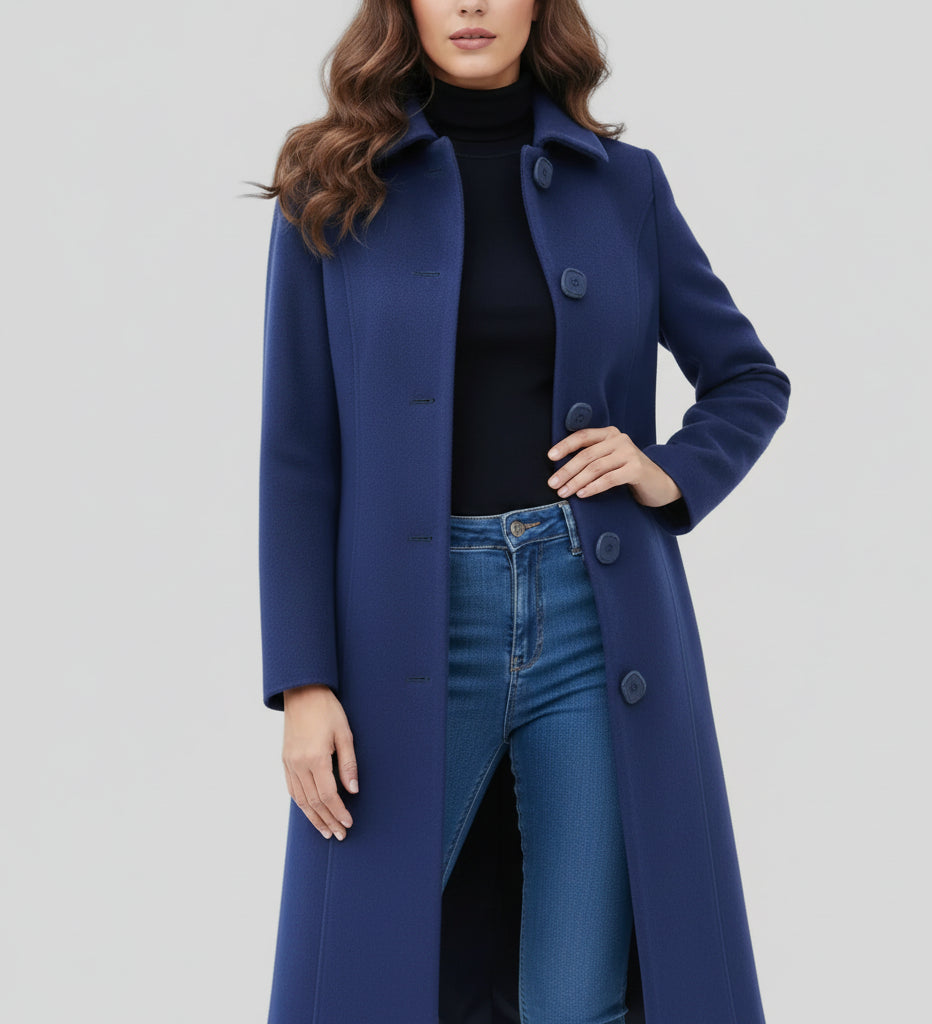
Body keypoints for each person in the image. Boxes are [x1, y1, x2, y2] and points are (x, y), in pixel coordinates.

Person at [249, 1, 790, 1022]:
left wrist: (666, 470)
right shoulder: (331, 185)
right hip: (405, 628)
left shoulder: (623, 184)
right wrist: (303, 682)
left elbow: (748, 378)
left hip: (593, 616)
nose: (470, 5)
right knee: (358, 974)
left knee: (576, 992)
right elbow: (297, 454)